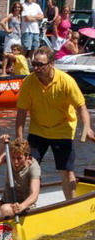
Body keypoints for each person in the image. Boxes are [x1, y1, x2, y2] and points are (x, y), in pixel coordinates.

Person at [16, 46, 94, 200]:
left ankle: (70, 203)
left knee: (66, 170)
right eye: (34, 64)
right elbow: (21, 113)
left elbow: (81, 107)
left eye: (40, 65)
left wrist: (87, 127)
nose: (36, 68)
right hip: (38, 129)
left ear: (51, 64)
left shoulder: (66, 81)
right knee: (28, 167)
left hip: (63, 129)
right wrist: (20, 139)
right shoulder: (29, 82)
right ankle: (29, 202)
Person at [0, 134, 41, 217]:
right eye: (13, 158)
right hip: (6, 201)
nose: (15, 162)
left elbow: (34, 195)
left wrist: (21, 206)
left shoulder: (33, 167)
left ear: (27, 157)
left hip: (24, 207)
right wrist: (1, 147)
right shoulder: (9, 158)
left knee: (5, 209)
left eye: (19, 158)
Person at [0, 1, 22, 68]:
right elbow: (2, 22)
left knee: (15, 54)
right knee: (7, 54)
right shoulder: (11, 15)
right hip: (11, 37)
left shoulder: (19, 16)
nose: (17, 9)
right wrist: (7, 30)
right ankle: (3, 71)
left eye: (18, 7)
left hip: (18, 37)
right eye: (16, 7)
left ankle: (13, 70)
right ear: (13, 8)